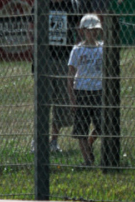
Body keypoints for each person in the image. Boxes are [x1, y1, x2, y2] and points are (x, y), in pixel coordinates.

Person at [36, 0, 82, 153]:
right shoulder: (40, 4)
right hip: (45, 59)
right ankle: (38, 140)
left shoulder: (72, 5)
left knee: (62, 102)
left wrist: (75, 56)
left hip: (64, 60)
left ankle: (53, 141)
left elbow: (79, 31)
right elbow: (32, 30)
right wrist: (36, 56)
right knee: (43, 101)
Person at [67, 13, 103, 167]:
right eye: (88, 30)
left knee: (103, 126)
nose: (92, 33)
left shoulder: (103, 48)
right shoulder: (77, 50)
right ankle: (87, 160)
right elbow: (70, 75)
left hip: (98, 91)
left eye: (95, 30)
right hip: (82, 91)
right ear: (82, 31)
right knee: (81, 128)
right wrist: (72, 98)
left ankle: (90, 141)